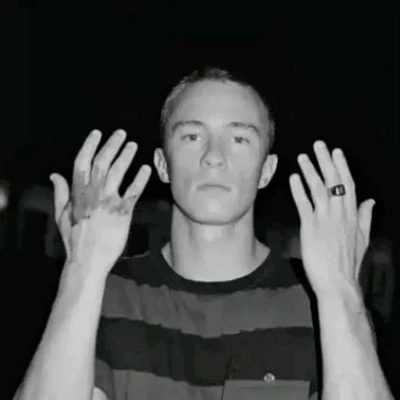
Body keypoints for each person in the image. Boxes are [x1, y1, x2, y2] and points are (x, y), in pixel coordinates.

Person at [14, 68, 393, 400]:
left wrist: (341, 291)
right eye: (192, 136)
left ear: (266, 170)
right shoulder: (108, 293)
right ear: (162, 164)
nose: (214, 156)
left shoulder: (317, 300)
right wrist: (82, 269)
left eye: (239, 139)